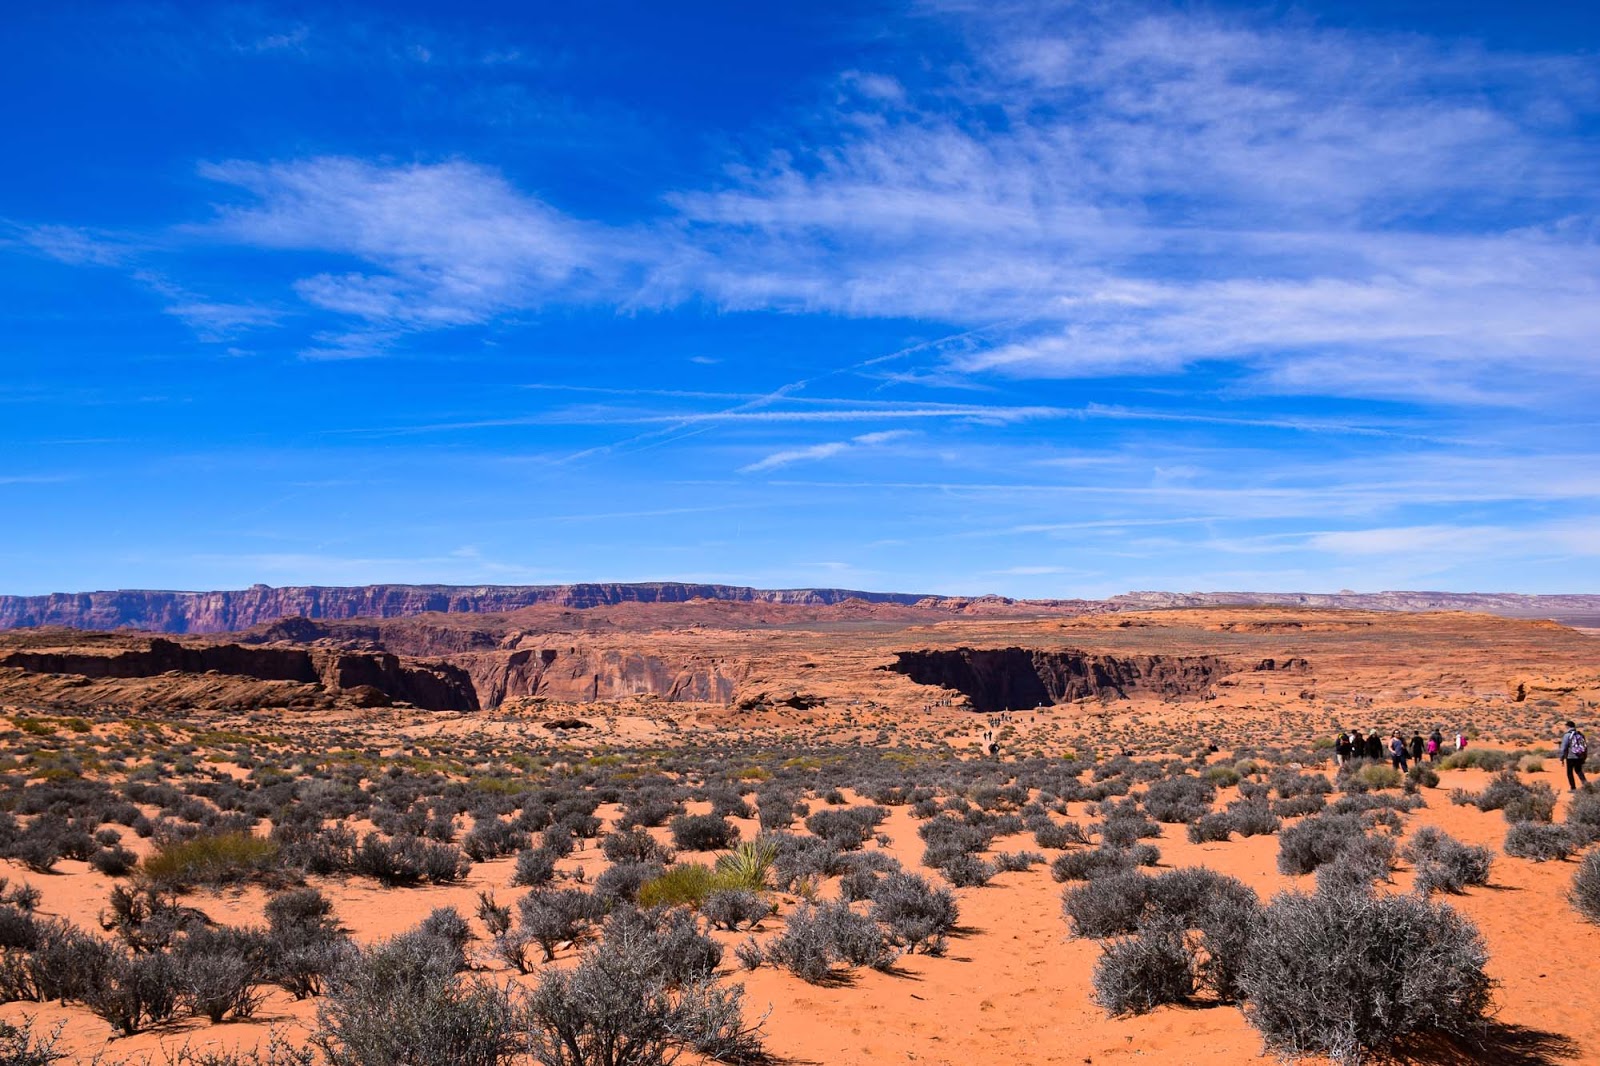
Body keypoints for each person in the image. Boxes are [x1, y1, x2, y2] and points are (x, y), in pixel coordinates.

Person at [1559, 720, 1589, 791]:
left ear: (1568, 726)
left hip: (1570, 757)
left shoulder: (1567, 735)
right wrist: (1584, 756)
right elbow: (1585, 746)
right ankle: (1587, 786)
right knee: (1579, 770)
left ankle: (1573, 788)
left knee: (1569, 772)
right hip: (1579, 756)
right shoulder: (1580, 734)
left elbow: (1563, 748)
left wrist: (1562, 758)